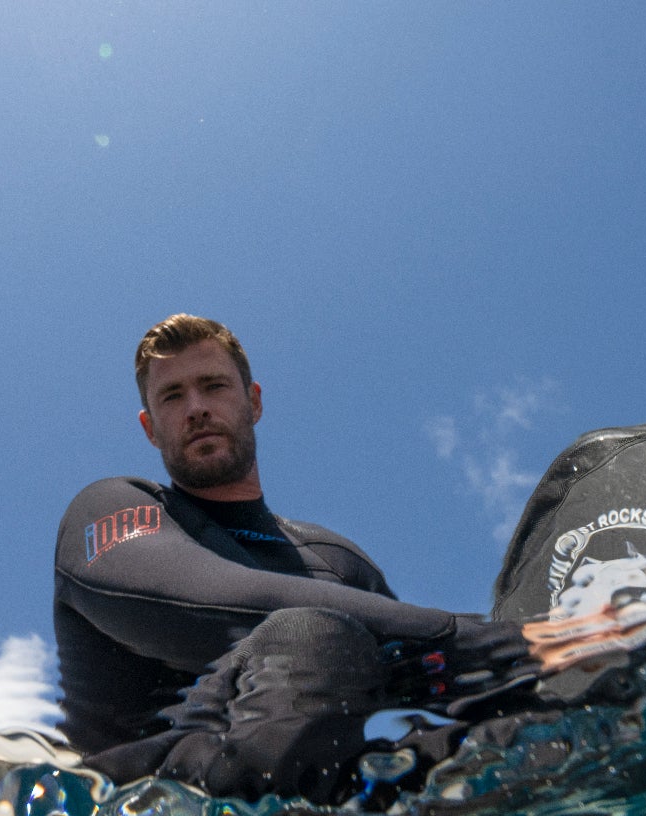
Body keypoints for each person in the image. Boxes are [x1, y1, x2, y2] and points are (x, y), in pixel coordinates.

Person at [52, 315, 538, 802]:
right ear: (150, 429)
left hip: (347, 779)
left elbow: (422, 682)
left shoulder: (338, 563)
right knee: (313, 633)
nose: (196, 408)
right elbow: (198, 600)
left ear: (254, 401)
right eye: (172, 396)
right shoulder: (112, 508)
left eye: (213, 386)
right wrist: (484, 638)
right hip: (151, 794)